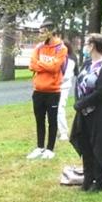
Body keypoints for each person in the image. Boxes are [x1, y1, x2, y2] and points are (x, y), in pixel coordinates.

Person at [70, 33, 102, 192]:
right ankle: (87, 178)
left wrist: (82, 103)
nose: (84, 46)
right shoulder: (86, 63)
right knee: (86, 145)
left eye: (86, 43)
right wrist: (79, 102)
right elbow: (79, 83)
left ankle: (99, 181)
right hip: (84, 113)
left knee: (99, 146)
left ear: (92, 46)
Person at [27, 18, 67, 160]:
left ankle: (50, 149)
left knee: (52, 120)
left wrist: (41, 64)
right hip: (38, 91)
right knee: (39, 119)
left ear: (50, 32)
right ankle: (39, 147)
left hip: (53, 92)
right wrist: (45, 66)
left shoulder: (61, 48)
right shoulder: (38, 48)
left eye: (42, 32)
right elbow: (32, 65)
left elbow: (56, 67)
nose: (40, 35)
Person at [57, 40, 79, 141]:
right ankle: (57, 130)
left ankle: (63, 132)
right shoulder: (60, 58)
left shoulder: (70, 60)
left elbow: (69, 75)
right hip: (55, 86)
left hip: (63, 87)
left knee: (60, 109)